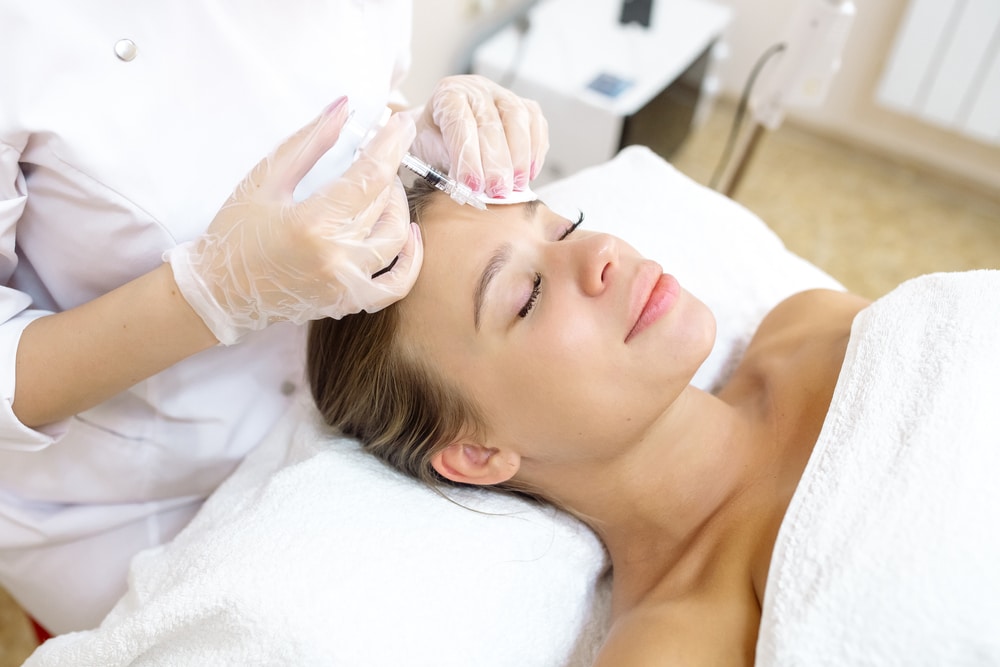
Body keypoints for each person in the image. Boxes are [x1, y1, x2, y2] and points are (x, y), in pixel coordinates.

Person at [0, 1, 548, 634]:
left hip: (323, 424)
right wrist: (211, 294)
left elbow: (353, 99)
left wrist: (407, 142)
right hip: (115, 506)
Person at [306, 179, 876, 664]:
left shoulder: (810, 324)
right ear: (476, 453)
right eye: (526, 296)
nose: (601, 248)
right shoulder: (686, 641)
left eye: (564, 228)